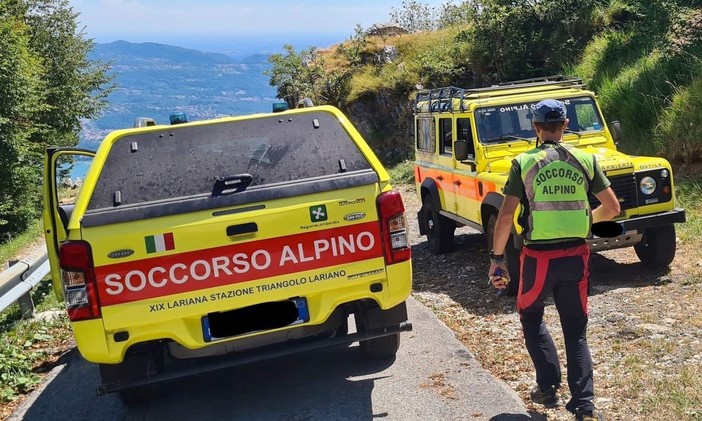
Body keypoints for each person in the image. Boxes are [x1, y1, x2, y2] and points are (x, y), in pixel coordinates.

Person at [488, 99, 620, 421]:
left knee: (531, 317)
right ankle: (585, 408)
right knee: (576, 331)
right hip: (576, 258)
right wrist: (587, 221)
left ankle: (547, 389)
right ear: (564, 126)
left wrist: (497, 259)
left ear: (535, 128)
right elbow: (613, 208)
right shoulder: (586, 160)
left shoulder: (524, 162)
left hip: (537, 260)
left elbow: (506, 216)